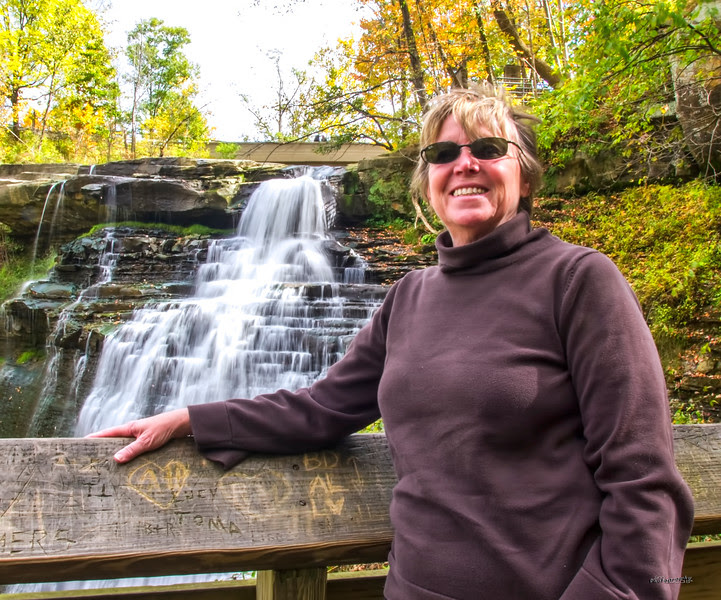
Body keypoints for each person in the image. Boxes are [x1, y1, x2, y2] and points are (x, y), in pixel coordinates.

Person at [91, 84, 694, 599]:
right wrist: (193, 418)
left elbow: (643, 481)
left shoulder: (578, 281)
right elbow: (322, 407)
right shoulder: (410, 296)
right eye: (443, 153)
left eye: (488, 148)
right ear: (428, 181)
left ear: (526, 175)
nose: (465, 164)